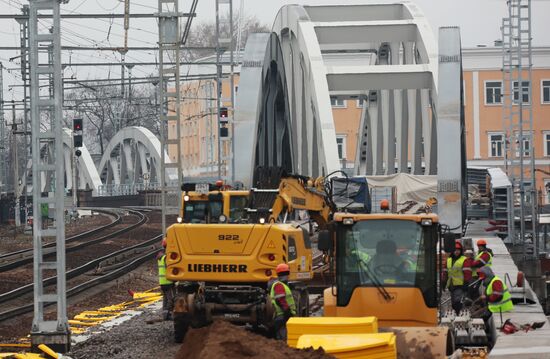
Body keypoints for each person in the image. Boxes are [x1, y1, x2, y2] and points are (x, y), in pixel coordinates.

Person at [270, 263, 297, 340]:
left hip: (281, 315)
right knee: (283, 338)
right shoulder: (279, 285)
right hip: (282, 316)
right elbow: (280, 299)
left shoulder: (281, 284)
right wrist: (287, 311)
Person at [444, 241, 466, 315]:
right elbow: (445, 272)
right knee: (453, 302)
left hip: (460, 284)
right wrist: (443, 283)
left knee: (457, 301)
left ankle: (458, 315)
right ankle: (457, 314)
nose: (457, 252)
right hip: (451, 284)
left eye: (458, 250)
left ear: (461, 251)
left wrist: (466, 283)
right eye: (455, 250)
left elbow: (467, 273)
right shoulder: (449, 260)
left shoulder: (464, 259)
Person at [157, 238, 175, 320]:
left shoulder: (160, 257)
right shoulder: (166, 258)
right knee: (170, 299)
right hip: (168, 282)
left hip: (162, 282)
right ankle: (168, 314)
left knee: (165, 299)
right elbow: (170, 269)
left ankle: (165, 315)